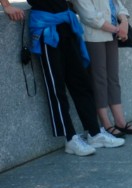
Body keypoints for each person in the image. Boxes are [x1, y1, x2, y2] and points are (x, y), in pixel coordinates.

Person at [1, 0, 124, 156]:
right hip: (46, 26)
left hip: (66, 22)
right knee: (56, 85)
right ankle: (70, 138)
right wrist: (7, 6)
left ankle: (94, 133)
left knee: (82, 82)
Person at [71, 0, 132, 138]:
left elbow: (118, 5)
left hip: (113, 34)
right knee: (99, 79)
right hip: (94, 36)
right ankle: (106, 123)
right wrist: (117, 29)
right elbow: (89, 16)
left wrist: (124, 23)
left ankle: (120, 121)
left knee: (113, 78)